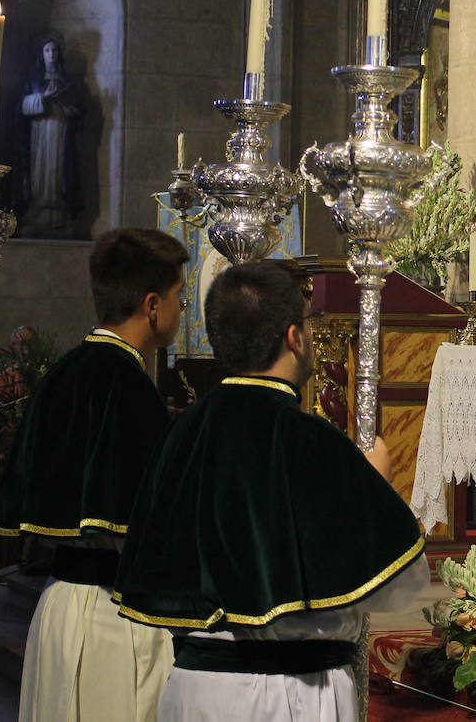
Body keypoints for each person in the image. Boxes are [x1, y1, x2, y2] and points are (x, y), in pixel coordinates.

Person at [113, 260, 428, 721]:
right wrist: (374, 487)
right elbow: (393, 586)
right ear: (294, 337)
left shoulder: (180, 435)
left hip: (193, 691)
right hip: (291, 693)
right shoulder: (308, 437)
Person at [0, 228, 189, 721]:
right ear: (151, 304)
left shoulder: (64, 372)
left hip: (58, 608)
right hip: (114, 617)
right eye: (179, 297)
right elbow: (148, 521)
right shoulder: (127, 385)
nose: (182, 309)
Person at [18, 33, 85, 236]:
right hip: (39, 131)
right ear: (41, 54)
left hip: (60, 130)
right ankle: (35, 212)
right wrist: (42, 98)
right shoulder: (33, 78)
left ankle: (60, 216)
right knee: (40, 169)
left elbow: (77, 106)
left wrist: (70, 110)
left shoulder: (66, 80)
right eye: (47, 50)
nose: (51, 54)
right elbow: (21, 106)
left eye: (54, 50)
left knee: (58, 171)